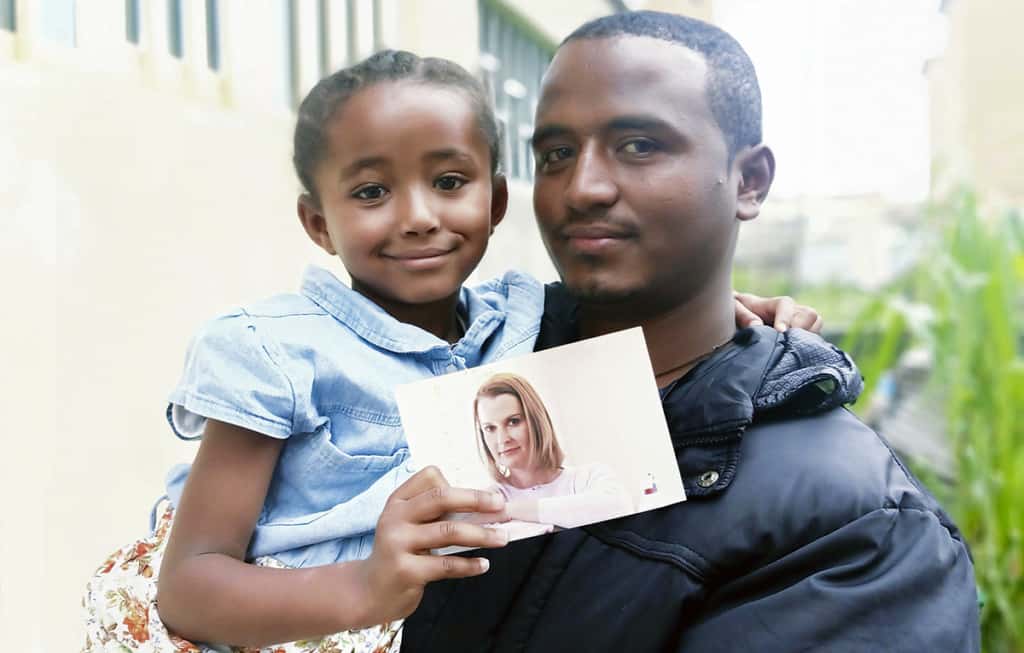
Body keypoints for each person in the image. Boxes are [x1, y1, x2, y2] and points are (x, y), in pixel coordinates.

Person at [79, 49, 817, 653]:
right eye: (371, 192)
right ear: (317, 222)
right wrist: (367, 585)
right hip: (278, 626)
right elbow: (191, 583)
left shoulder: (522, 317)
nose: (419, 217)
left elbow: (651, 318)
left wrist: (740, 311)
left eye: (450, 181)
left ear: (496, 203)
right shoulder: (274, 352)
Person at [403, 11, 980, 652]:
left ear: (750, 180)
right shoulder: (457, 369)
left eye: (640, 146)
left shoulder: (859, 527)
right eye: (557, 153)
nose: (582, 187)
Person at [472, 372, 634, 538]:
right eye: (490, 428)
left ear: (536, 421)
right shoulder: (484, 502)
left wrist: (507, 511)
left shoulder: (590, 476)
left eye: (513, 421)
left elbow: (620, 508)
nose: (502, 439)